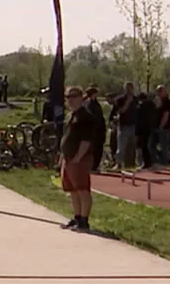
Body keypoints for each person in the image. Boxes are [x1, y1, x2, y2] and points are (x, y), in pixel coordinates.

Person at [59, 86, 103, 231]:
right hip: (68, 157)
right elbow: (66, 137)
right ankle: (77, 217)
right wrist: (62, 156)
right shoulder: (70, 115)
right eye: (68, 97)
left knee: (83, 189)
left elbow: (86, 140)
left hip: (80, 159)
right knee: (72, 190)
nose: (70, 100)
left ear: (81, 97)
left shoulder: (86, 116)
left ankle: (84, 220)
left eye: (73, 96)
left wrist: (78, 157)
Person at [113, 81, 140, 169]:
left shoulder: (136, 99)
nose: (129, 90)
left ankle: (131, 164)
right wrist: (127, 102)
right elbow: (120, 111)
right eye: (127, 88)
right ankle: (118, 163)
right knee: (121, 147)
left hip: (134, 126)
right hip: (123, 126)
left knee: (132, 147)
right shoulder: (120, 99)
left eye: (130, 88)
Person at [134, 87, 158, 169]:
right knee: (150, 146)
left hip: (143, 129)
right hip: (151, 127)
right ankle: (151, 162)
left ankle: (146, 163)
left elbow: (139, 119)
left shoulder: (140, 106)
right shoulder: (152, 105)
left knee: (144, 146)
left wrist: (137, 131)